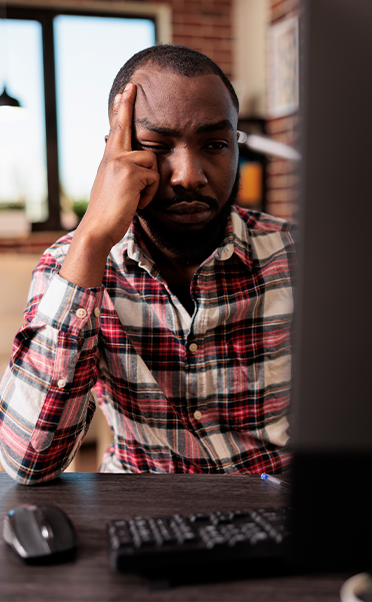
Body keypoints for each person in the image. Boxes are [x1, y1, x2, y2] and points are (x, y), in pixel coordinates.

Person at [0, 45, 295, 484]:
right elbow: (27, 461)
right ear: (115, 156)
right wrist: (93, 240)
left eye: (214, 144)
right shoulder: (70, 265)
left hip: (272, 511)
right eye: (157, 148)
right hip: (138, 508)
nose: (189, 175)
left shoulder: (295, 255)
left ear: (236, 146)